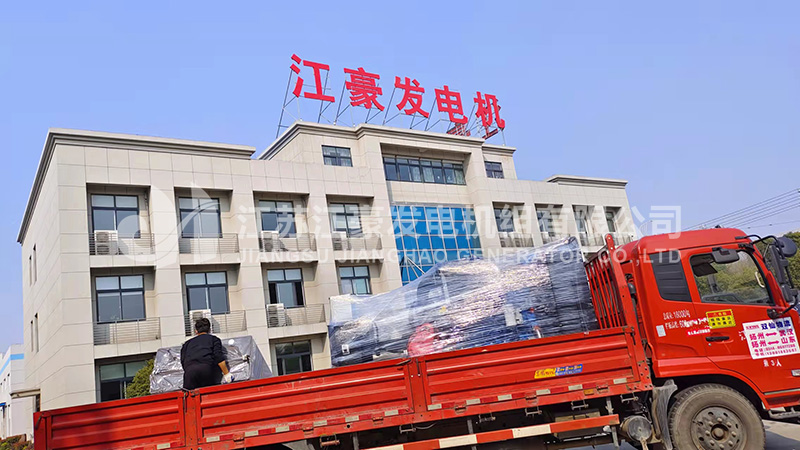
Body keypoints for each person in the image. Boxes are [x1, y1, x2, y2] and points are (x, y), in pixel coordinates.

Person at [180, 318, 233, 389]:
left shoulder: (186, 344)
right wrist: (226, 374)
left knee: (189, 394)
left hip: (189, 373)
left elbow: (183, 361)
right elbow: (218, 357)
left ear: (196, 331)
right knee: (208, 394)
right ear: (209, 330)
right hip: (206, 370)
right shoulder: (214, 339)